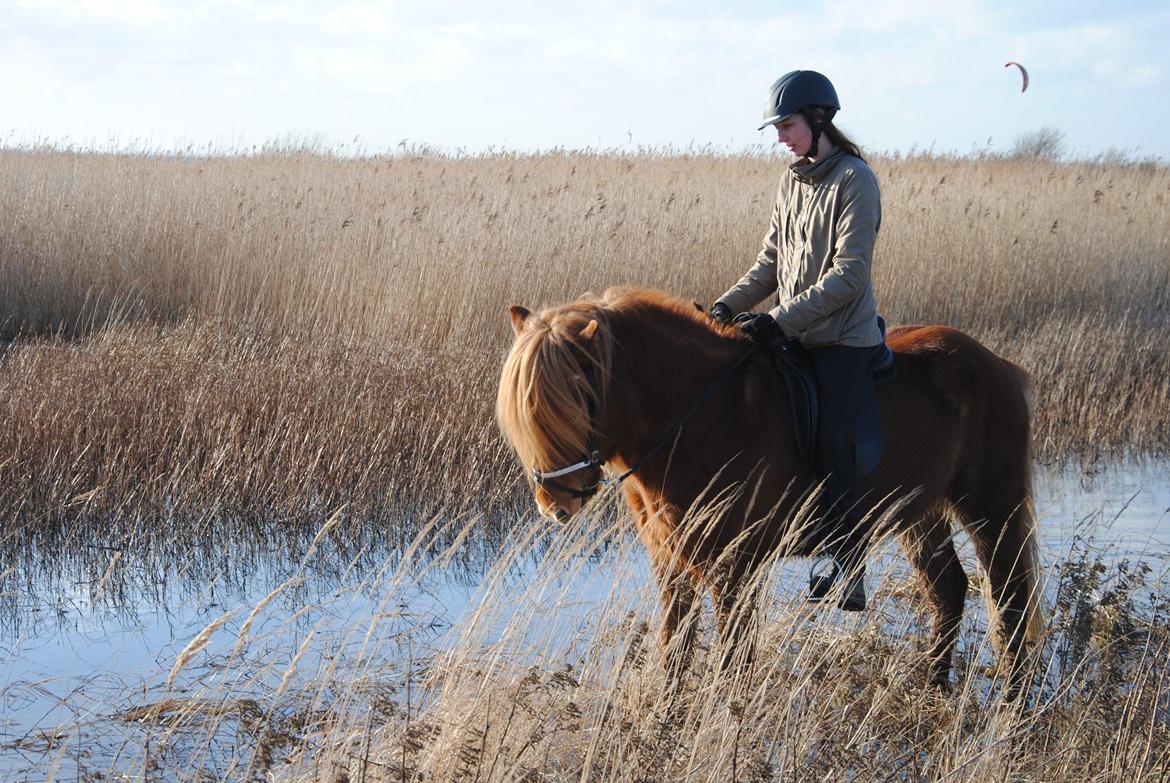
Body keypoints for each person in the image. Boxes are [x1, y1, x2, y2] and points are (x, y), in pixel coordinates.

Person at [708, 70, 884, 611]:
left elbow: (848, 275)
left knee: (833, 440)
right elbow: (770, 262)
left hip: (841, 341)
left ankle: (848, 563)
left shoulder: (855, 179)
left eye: (787, 125)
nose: (780, 136)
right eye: (777, 127)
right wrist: (728, 306)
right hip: (793, 335)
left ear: (818, 118)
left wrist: (778, 321)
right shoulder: (793, 180)